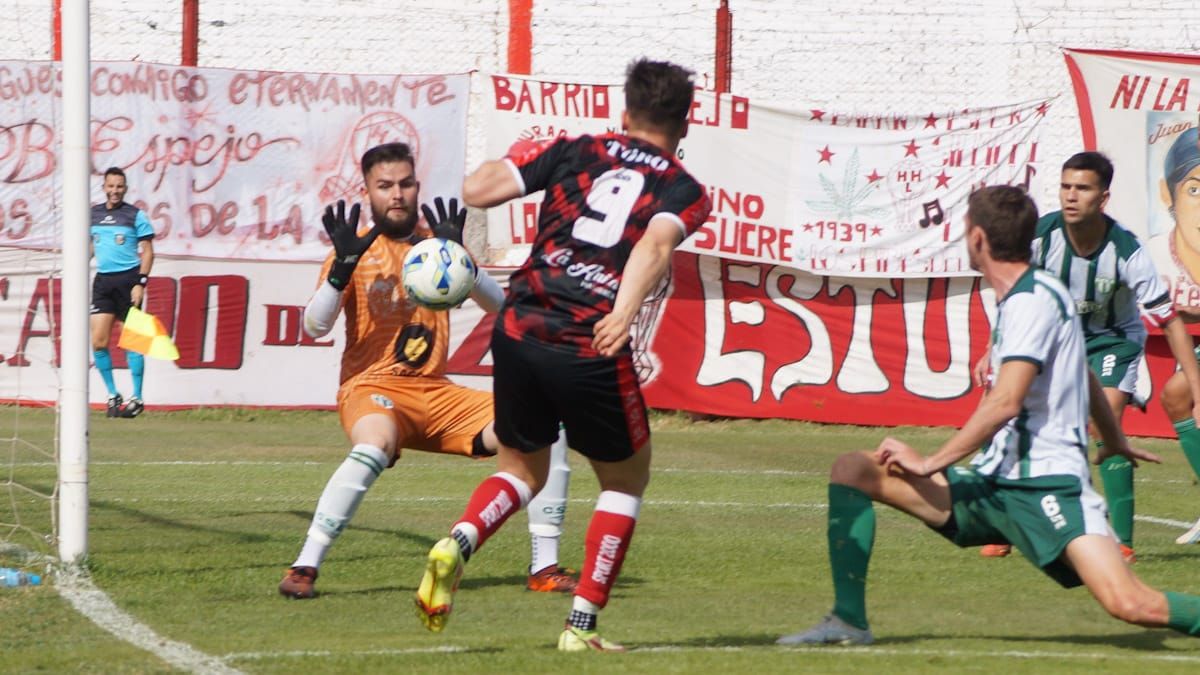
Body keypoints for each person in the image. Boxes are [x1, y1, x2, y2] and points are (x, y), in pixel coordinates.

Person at [779, 185, 1200, 647]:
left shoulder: (1030, 301)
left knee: (1132, 604)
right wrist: (1115, 436)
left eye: (965, 231)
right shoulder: (1028, 293)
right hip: (994, 485)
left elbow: (1005, 403)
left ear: (978, 239)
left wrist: (928, 463)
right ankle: (848, 622)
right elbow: (1079, 368)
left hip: (1045, 488)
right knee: (854, 470)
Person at [412, 58, 712, 652]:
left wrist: (524, 150)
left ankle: (459, 541)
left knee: (522, 470)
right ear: (686, 123)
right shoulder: (684, 189)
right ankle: (581, 628)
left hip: (521, 325)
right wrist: (623, 313)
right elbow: (655, 241)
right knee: (626, 481)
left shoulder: (577, 149)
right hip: (586, 339)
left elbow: (475, 191)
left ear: (624, 113)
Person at [278, 142, 577, 600]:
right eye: (384, 186)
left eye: (405, 183)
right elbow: (314, 326)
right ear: (367, 192)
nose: (396, 194)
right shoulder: (354, 250)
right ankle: (304, 566)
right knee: (374, 444)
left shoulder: (439, 248)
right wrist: (341, 269)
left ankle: (545, 566)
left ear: (417, 186)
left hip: (436, 394)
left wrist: (464, 262)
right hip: (372, 388)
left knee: (548, 425)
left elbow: (502, 308)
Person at [972, 152, 1200, 561]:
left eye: (1082, 188)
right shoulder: (1041, 237)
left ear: (1103, 197)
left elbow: (1169, 321)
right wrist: (993, 347)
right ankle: (1005, 523)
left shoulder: (1127, 250)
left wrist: (1198, 389)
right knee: (1008, 416)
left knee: (1104, 420)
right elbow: (1012, 291)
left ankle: (1122, 542)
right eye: (1065, 187)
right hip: (1056, 340)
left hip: (1112, 341)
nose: (1071, 196)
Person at [90, 166, 155, 418]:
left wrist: (141, 282)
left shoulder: (135, 215)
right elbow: (90, 246)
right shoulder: (93, 214)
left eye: (119, 186)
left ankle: (137, 397)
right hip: (103, 282)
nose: (115, 191)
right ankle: (112, 394)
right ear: (104, 187)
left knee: (133, 342)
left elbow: (148, 250)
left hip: (129, 281)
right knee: (98, 341)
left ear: (125, 188)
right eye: (111, 186)